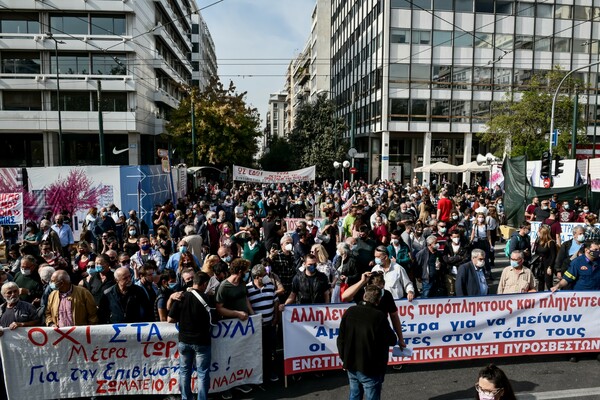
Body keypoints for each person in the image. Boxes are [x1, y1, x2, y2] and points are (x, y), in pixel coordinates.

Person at [337, 284, 397, 400]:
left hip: (351, 365)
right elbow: (392, 340)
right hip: (371, 368)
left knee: (354, 395)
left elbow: (340, 339)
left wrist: (344, 359)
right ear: (378, 300)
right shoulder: (379, 316)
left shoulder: (350, 311)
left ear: (364, 296)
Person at [168, 271, 213, 400]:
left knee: (184, 372)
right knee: (203, 373)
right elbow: (214, 320)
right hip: (202, 342)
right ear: (204, 284)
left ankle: (186, 397)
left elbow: (170, 319)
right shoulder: (208, 299)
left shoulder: (181, 297)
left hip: (184, 341)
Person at [246, 265, 279, 382]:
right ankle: (259, 375)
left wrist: (275, 317)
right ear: (256, 277)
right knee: (258, 351)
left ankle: (270, 372)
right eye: (264, 275)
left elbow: (275, 301)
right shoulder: (248, 288)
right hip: (257, 327)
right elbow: (247, 304)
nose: (266, 277)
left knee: (270, 350)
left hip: (270, 324)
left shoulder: (270, 286)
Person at [533, 225, 557, 291]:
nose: (538, 233)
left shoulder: (551, 243)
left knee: (548, 283)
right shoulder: (538, 241)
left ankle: (552, 297)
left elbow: (553, 256)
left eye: (539, 232)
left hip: (547, 265)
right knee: (540, 282)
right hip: (540, 265)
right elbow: (536, 252)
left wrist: (550, 267)